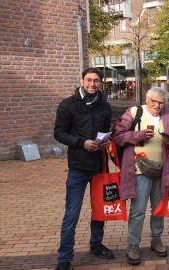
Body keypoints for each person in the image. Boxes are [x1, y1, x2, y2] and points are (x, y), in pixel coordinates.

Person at [54, 68, 113, 270]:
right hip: (78, 168)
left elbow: (107, 132)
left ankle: (96, 245)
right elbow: (59, 133)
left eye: (96, 81)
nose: (92, 84)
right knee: (72, 213)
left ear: (100, 83)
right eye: (89, 80)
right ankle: (64, 258)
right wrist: (81, 142)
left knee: (99, 211)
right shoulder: (67, 105)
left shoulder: (105, 107)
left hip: (99, 166)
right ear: (82, 81)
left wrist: (107, 142)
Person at [112, 87, 169, 265]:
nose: (157, 105)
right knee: (138, 209)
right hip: (138, 168)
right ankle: (133, 244)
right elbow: (118, 136)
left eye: (161, 102)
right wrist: (139, 135)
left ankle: (156, 239)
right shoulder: (134, 112)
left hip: (160, 168)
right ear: (146, 99)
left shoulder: (166, 115)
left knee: (158, 207)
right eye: (153, 101)